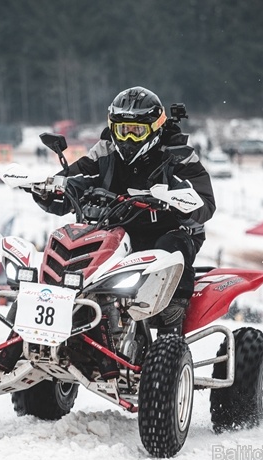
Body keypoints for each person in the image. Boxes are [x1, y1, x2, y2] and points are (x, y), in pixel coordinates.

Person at [30, 86, 216, 335]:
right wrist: (45, 189)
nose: (128, 139)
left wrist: (175, 199)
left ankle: (170, 325)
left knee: (170, 249)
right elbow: (72, 181)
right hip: (117, 229)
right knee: (76, 246)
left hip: (169, 228)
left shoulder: (178, 155)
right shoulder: (105, 151)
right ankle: (63, 323)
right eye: (123, 131)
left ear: (154, 128)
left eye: (136, 132)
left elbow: (205, 202)